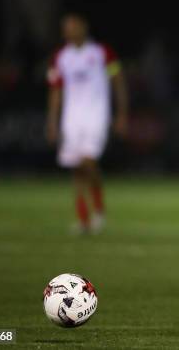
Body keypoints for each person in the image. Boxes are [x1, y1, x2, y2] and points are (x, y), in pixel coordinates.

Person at [46, 13, 128, 234]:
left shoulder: (102, 53)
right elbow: (56, 90)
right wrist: (52, 121)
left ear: (84, 28)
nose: (68, 31)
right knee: (76, 168)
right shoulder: (60, 57)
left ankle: (99, 210)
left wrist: (122, 113)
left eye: (73, 27)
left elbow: (118, 81)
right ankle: (83, 219)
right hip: (72, 119)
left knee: (88, 162)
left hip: (97, 115)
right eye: (66, 28)